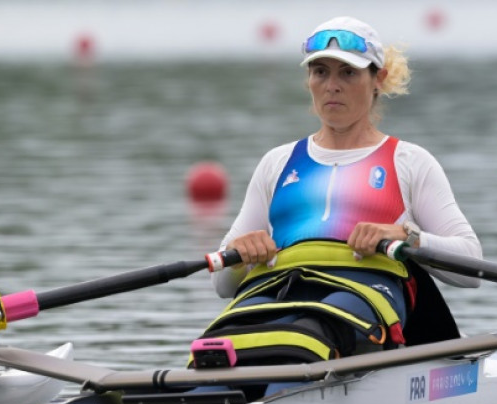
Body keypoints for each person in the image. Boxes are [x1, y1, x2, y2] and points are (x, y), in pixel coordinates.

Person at [196, 16, 482, 369]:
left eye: (348, 73)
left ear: (378, 79)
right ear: (309, 81)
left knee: (307, 337)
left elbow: (471, 268)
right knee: (217, 348)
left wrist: (409, 237)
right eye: (320, 72)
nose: (332, 86)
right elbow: (223, 285)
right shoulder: (277, 163)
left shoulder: (409, 162)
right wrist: (241, 254)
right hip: (277, 292)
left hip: (361, 297)